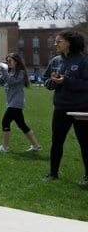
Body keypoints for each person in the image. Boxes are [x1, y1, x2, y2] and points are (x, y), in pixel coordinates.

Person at [42, 30, 88, 184]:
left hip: (80, 109)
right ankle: (53, 174)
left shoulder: (83, 61)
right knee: (57, 141)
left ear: (69, 42)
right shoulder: (55, 61)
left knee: (85, 142)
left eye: (58, 41)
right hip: (60, 108)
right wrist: (53, 82)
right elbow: (46, 80)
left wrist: (67, 80)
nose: (55, 44)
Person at [0, 53, 42, 153]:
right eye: (7, 61)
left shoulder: (21, 73)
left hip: (16, 102)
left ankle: (4, 147)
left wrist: (3, 70)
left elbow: (11, 82)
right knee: (22, 125)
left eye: (10, 61)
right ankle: (36, 146)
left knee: (5, 122)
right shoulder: (9, 72)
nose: (8, 63)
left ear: (16, 61)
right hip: (11, 102)